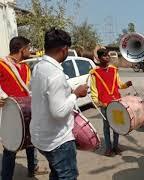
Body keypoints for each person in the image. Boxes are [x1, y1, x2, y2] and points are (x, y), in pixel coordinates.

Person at [30, 28, 88, 179]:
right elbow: (59, 112)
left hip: (41, 136)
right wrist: (76, 94)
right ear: (63, 49)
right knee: (67, 176)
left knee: (56, 173)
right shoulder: (55, 74)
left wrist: (68, 91)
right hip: (58, 141)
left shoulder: (38, 67)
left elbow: (45, 93)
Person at [0, 36, 48, 180]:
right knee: (10, 147)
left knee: (31, 142)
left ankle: (33, 169)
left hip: (27, 110)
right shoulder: (2, 64)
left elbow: (29, 88)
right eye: (28, 48)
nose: (30, 50)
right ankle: (6, 177)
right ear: (22, 50)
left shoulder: (26, 67)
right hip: (11, 113)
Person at [90, 48, 132, 157]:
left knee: (117, 125)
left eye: (108, 55)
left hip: (116, 102)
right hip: (104, 104)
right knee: (107, 127)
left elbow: (118, 84)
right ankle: (108, 148)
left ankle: (116, 146)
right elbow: (94, 89)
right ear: (99, 58)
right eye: (104, 56)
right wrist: (97, 102)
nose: (107, 57)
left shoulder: (114, 70)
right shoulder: (94, 73)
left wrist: (125, 85)